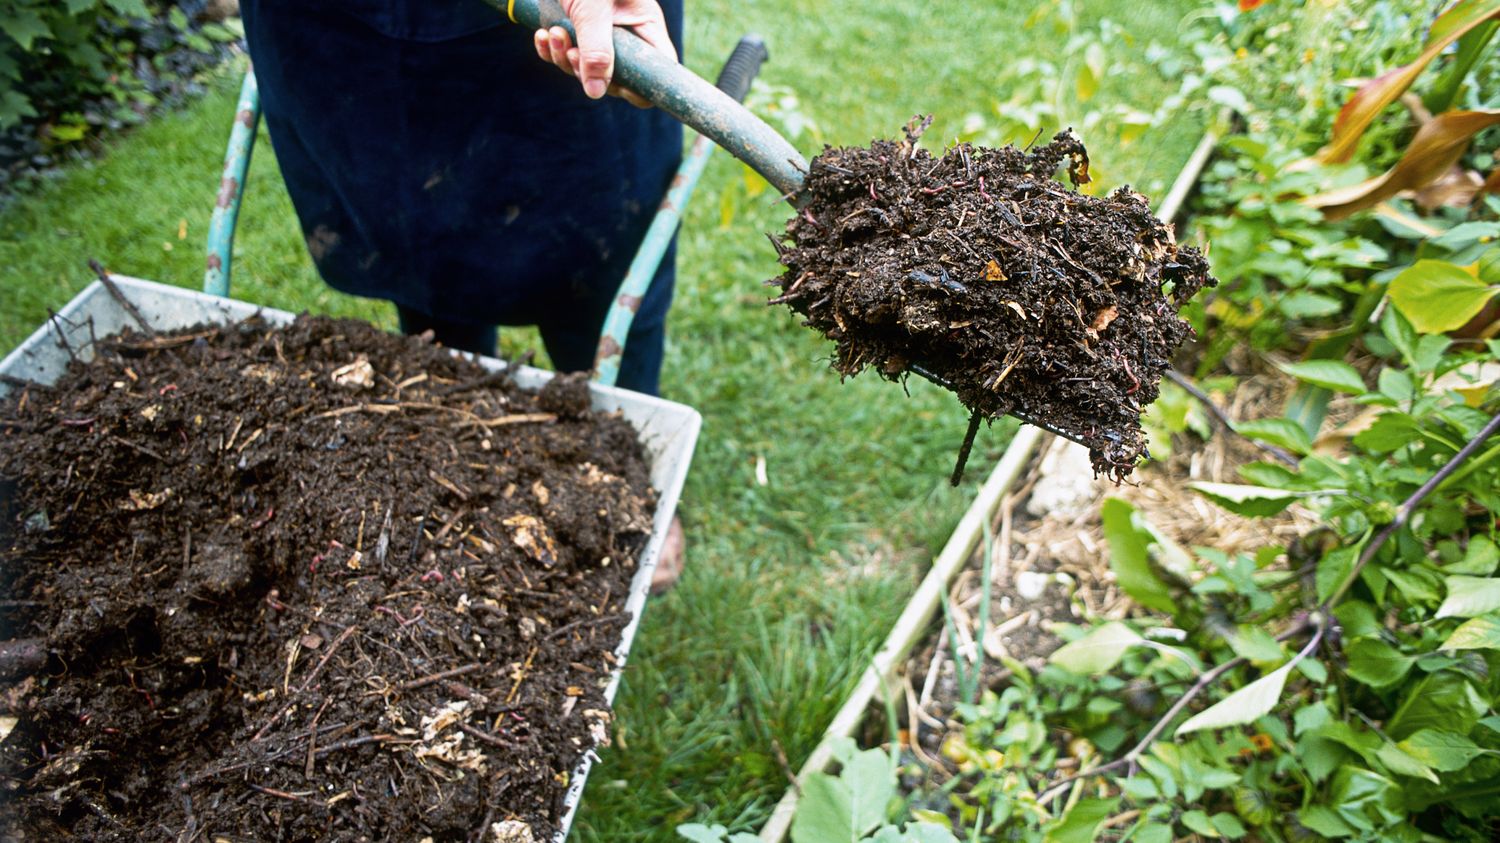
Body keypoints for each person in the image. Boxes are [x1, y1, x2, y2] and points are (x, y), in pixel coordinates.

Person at [240, 0, 688, 589]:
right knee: (417, 245)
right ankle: (461, 461)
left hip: (556, 55)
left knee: (607, 263)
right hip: (353, 39)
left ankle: (630, 475)